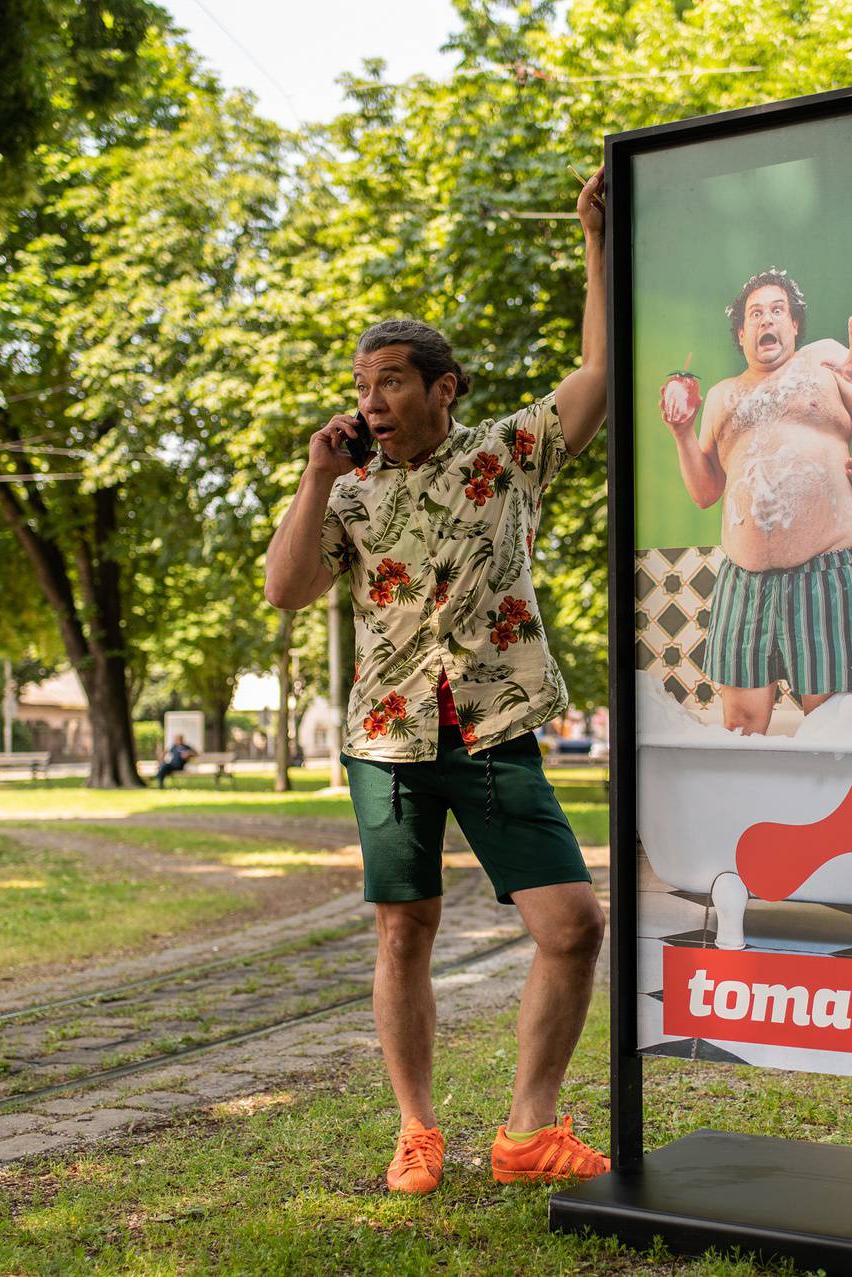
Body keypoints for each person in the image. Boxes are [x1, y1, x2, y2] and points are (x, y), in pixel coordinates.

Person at [264, 167, 611, 1195]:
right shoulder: (350, 490)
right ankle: (417, 1127)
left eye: (392, 382)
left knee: (573, 923)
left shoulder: (506, 454)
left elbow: (597, 371)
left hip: (495, 725)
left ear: (442, 388)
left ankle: (526, 1129)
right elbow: (286, 588)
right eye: (362, 385)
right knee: (403, 925)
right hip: (387, 736)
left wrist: (594, 239)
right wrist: (317, 474)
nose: (371, 400)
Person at [658, 269, 852, 734]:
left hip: (824, 572)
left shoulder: (828, 362)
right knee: (742, 725)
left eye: (777, 311)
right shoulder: (721, 396)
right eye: (755, 314)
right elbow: (705, 493)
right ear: (741, 333)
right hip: (742, 582)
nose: (766, 319)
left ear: (793, 326)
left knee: (834, 721)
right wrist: (682, 433)